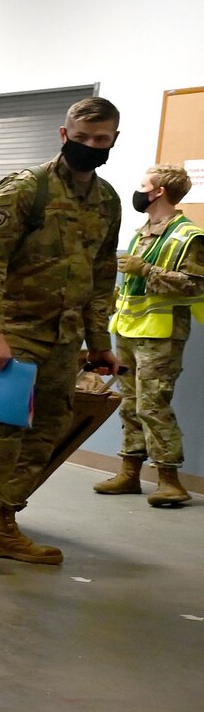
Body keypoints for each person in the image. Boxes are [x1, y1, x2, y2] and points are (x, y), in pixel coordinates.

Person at [0, 97, 122, 570]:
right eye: (82, 137)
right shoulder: (26, 188)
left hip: (64, 338)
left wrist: (100, 343)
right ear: (64, 135)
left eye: (100, 139)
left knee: (45, 432)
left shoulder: (106, 200)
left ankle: (5, 522)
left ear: (112, 141)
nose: (90, 146)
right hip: (13, 332)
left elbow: (102, 274)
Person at [94, 163, 201, 507]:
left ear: (159, 192)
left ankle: (170, 479)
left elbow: (196, 285)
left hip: (161, 334)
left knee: (153, 404)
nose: (139, 191)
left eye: (144, 185)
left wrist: (148, 270)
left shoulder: (189, 236)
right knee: (130, 402)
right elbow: (133, 283)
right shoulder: (142, 232)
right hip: (127, 328)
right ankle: (129, 472)